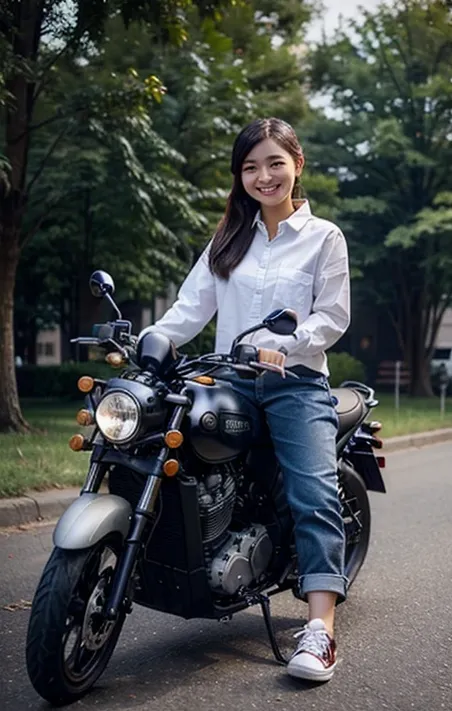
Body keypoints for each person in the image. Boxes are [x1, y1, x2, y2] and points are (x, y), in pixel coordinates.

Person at [140, 117, 350, 682]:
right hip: (228, 381)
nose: (263, 176)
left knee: (313, 493)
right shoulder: (228, 238)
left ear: (297, 165)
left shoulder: (324, 237)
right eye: (250, 166)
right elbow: (188, 309)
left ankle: (320, 630)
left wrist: (287, 344)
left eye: (274, 163)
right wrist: (150, 341)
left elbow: (332, 316)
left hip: (295, 383)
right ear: (240, 175)